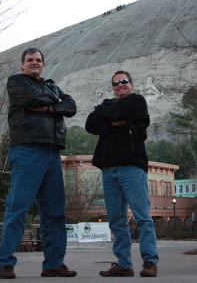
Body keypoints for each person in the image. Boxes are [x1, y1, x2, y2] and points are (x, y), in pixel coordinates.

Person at [0, 48, 77, 279]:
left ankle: (53, 264)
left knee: (55, 213)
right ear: (22, 64)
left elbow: (71, 106)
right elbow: (30, 99)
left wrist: (50, 106)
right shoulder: (16, 82)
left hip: (52, 154)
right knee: (18, 208)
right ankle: (5, 262)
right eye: (30, 60)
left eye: (38, 60)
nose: (34, 63)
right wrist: (57, 103)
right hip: (26, 150)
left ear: (43, 64)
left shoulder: (51, 86)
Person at [85, 70, 159, 278]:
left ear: (132, 85)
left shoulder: (138, 102)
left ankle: (150, 262)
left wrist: (108, 118)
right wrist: (114, 119)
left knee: (142, 218)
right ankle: (124, 264)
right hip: (109, 170)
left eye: (124, 81)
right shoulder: (109, 105)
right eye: (116, 83)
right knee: (117, 221)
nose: (120, 85)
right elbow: (90, 124)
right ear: (113, 87)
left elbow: (112, 115)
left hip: (132, 168)